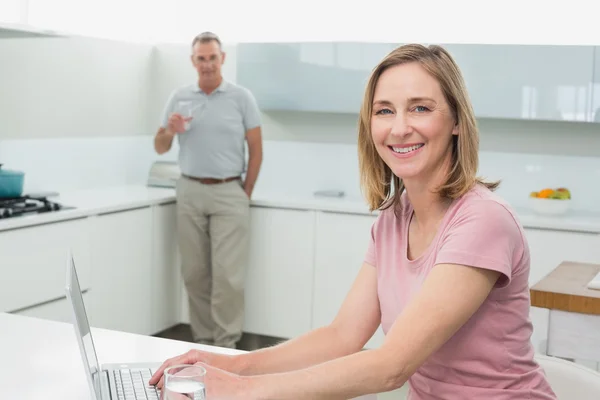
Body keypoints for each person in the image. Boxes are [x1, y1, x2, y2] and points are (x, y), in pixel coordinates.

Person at [149, 44, 558, 399]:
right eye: (384, 111)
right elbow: (342, 336)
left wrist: (242, 391)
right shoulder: (393, 221)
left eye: (420, 107)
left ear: (455, 121)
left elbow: (391, 366)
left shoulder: (482, 220)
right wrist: (232, 366)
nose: (399, 128)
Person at [154, 31, 263, 349]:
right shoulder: (179, 97)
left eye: (212, 57)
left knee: (228, 277)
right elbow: (160, 146)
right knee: (194, 273)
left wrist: (246, 192)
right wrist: (170, 130)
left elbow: (256, 149)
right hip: (189, 191)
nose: (207, 64)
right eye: (200, 58)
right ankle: (202, 343)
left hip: (230, 191)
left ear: (222, 59)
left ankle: (225, 346)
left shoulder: (241, 97)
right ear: (193, 61)